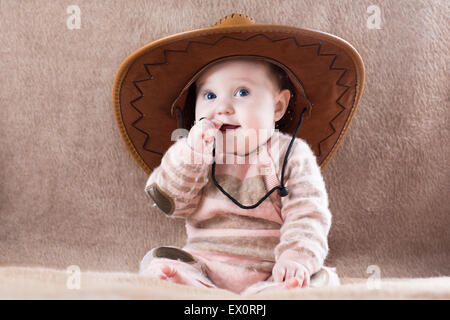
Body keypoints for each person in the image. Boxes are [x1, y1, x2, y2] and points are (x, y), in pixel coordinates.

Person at [139, 56, 339, 294]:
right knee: (157, 261)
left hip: (272, 267)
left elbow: (308, 214)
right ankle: (194, 287)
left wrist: (295, 258)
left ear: (277, 107)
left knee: (320, 280)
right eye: (210, 96)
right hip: (206, 264)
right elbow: (172, 203)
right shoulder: (196, 152)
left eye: (242, 92)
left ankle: (271, 292)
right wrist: (191, 154)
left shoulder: (291, 154)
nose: (222, 108)